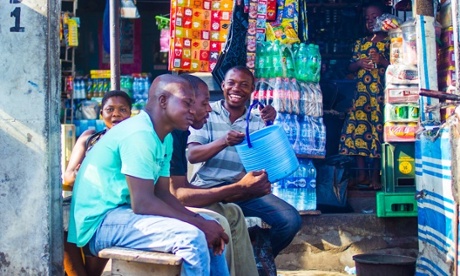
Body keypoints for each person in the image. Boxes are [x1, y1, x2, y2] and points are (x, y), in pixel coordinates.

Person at [67, 74, 230, 276]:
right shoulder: (140, 134)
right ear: (163, 101)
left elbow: (162, 194)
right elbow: (142, 203)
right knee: (192, 238)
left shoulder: (164, 137)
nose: (192, 110)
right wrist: (199, 225)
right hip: (99, 223)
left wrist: (201, 221)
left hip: (124, 215)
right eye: (187, 103)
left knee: (213, 227)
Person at [186, 66, 302, 257]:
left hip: (244, 189)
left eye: (244, 85)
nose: (236, 89)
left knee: (290, 220)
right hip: (207, 188)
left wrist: (270, 124)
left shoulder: (257, 119)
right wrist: (224, 141)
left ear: (252, 90)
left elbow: (269, 160)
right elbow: (193, 154)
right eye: (231, 83)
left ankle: (257, 258)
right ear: (222, 85)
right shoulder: (207, 112)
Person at [170, 74, 262, 276]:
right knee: (218, 223)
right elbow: (177, 195)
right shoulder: (171, 133)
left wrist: (235, 190)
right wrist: (238, 188)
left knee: (234, 212)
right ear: (188, 104)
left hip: (179, 199)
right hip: (148, 211)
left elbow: (180, 190)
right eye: (205, 104)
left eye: (244, 85)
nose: (209, 109)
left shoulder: (181, 131)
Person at [63, 90, 132, 276]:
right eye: (110, 109)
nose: (116, 114)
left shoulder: (132, 141)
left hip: (109, 209)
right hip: (84, 206)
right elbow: (68, 177)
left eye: (122, 109)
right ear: (101, 113)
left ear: (130, 114)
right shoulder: (90, 138)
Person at [338, 2, 390, 190]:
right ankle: (361, 175)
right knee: (359, 133)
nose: (370, 21)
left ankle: (375, 176)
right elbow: (349, 68)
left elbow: (400, 66)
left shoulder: (392, 41)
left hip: (381, 97)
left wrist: (382, 61)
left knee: (377, 134)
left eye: (374, 17)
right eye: (367, 18)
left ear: (385, 19)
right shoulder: (361, 43)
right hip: (361, 96)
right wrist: (359, 63)